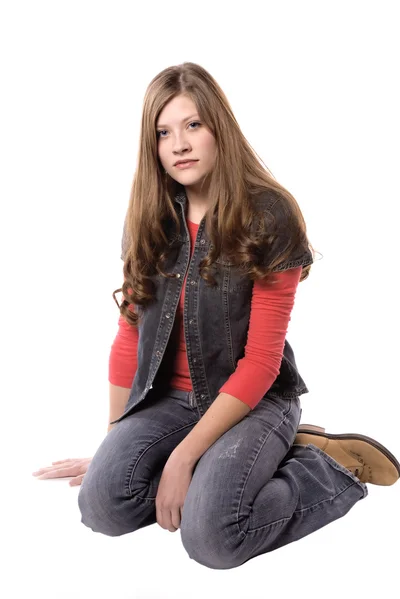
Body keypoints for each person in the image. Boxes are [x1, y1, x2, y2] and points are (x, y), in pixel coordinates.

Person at [32, 62, 400, 570]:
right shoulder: (149, 216)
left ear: (218, 129)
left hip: (253, 400)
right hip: (168, 401)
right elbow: (128, 339)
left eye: (193, 125)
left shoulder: (269, 215)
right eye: (163, 132)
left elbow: (262, 361)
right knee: (102, 506)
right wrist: (115, 447)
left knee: (213, 538)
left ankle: (323, 467)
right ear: (153, 146)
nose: (179, 144)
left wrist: (183, 458)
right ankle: (220, 467)